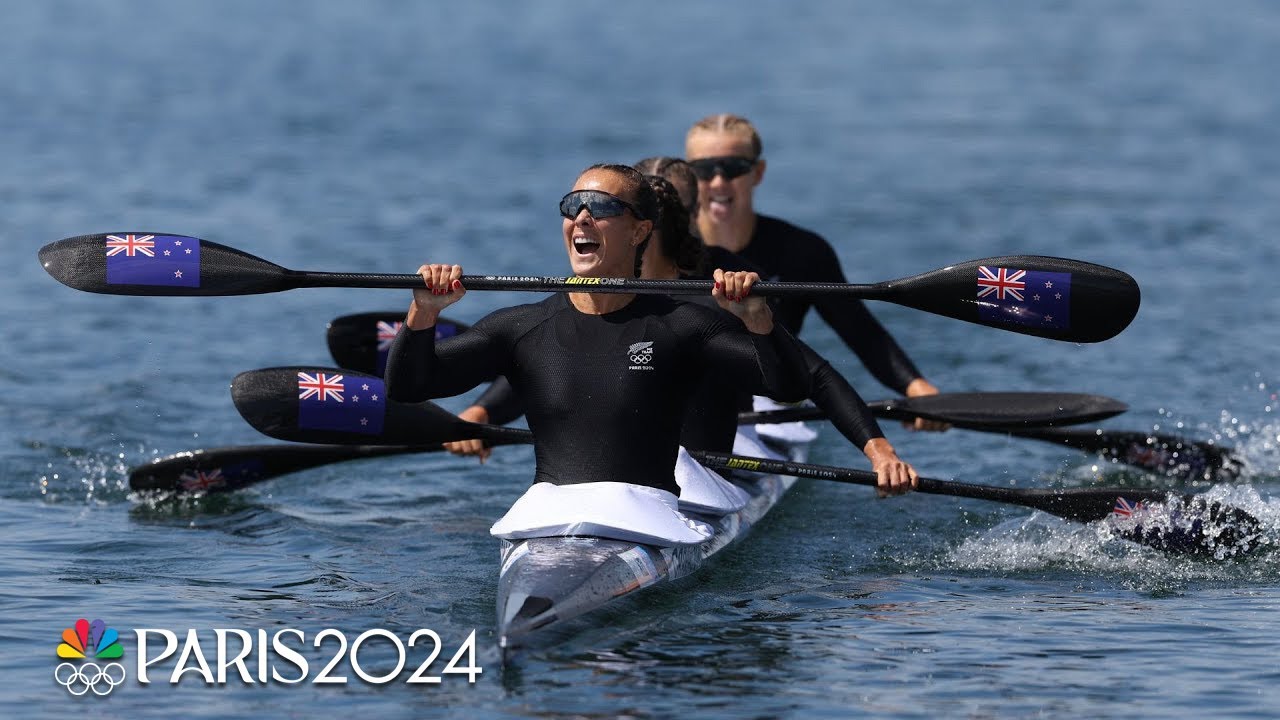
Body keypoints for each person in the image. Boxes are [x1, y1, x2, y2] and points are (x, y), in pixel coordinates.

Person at [385, 163, 810, 510]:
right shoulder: (522, 326)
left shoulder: (682, 325)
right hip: (548, 517)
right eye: (573, 206)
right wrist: (423, 311)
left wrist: (757, 318)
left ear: (641, 231)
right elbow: (409, 386)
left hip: (651, 519)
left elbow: (789, 387)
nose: (582, 218)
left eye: (602, 207)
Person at [684, 114, 947, 432]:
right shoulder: (665, 251)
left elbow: (860, 331)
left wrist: (916, 389)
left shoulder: (802, 251)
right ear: (687, 176)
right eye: (704, 170)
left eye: (733, 168)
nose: (718, 182)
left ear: (758, 172)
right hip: (688, 398)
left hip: (770, 400)